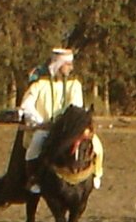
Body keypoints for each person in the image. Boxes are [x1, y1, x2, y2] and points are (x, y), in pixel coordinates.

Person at [19, 47, 105, 192]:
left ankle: (96, 173)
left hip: (69, 130)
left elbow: (75, 107)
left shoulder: (74, 85)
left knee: (97, 145)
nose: (71, 68)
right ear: (58, 65)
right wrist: (39, 121)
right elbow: (26, 105)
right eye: (68, 64)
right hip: (45, 129)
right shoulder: (40, 85)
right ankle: (34, 179)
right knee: (34, 147)